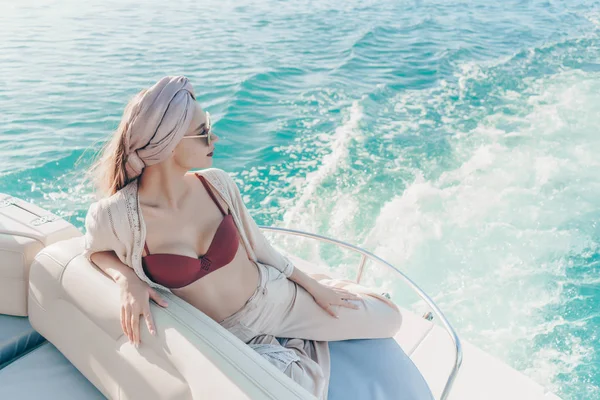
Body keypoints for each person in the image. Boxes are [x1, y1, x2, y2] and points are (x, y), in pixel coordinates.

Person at [82, 76, 402, 399]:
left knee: (390, 319)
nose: (214, 137)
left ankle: (333, 296)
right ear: (171, 143)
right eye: (204, 131)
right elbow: (93, 250)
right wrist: (126, 280)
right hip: (228, 338)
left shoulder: (216, 185)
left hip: (274, 300)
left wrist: (314, 287)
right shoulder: (115, 216)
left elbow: (263, 249)